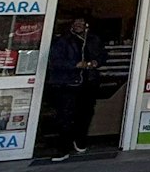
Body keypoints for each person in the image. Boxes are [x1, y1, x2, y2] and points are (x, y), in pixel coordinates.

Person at [45, 16, 105, 161]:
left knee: (85, 113)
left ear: (87, 25)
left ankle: (79, 140)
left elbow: (103, 55)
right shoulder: (63, 40)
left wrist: (97, 62)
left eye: (82, 23)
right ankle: (63, 148)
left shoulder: (93, 39)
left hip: (88, 82)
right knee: (66, 116)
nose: (79, 25)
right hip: (68, 83)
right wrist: (75, 64)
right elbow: (55, 61)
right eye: (76, 22)